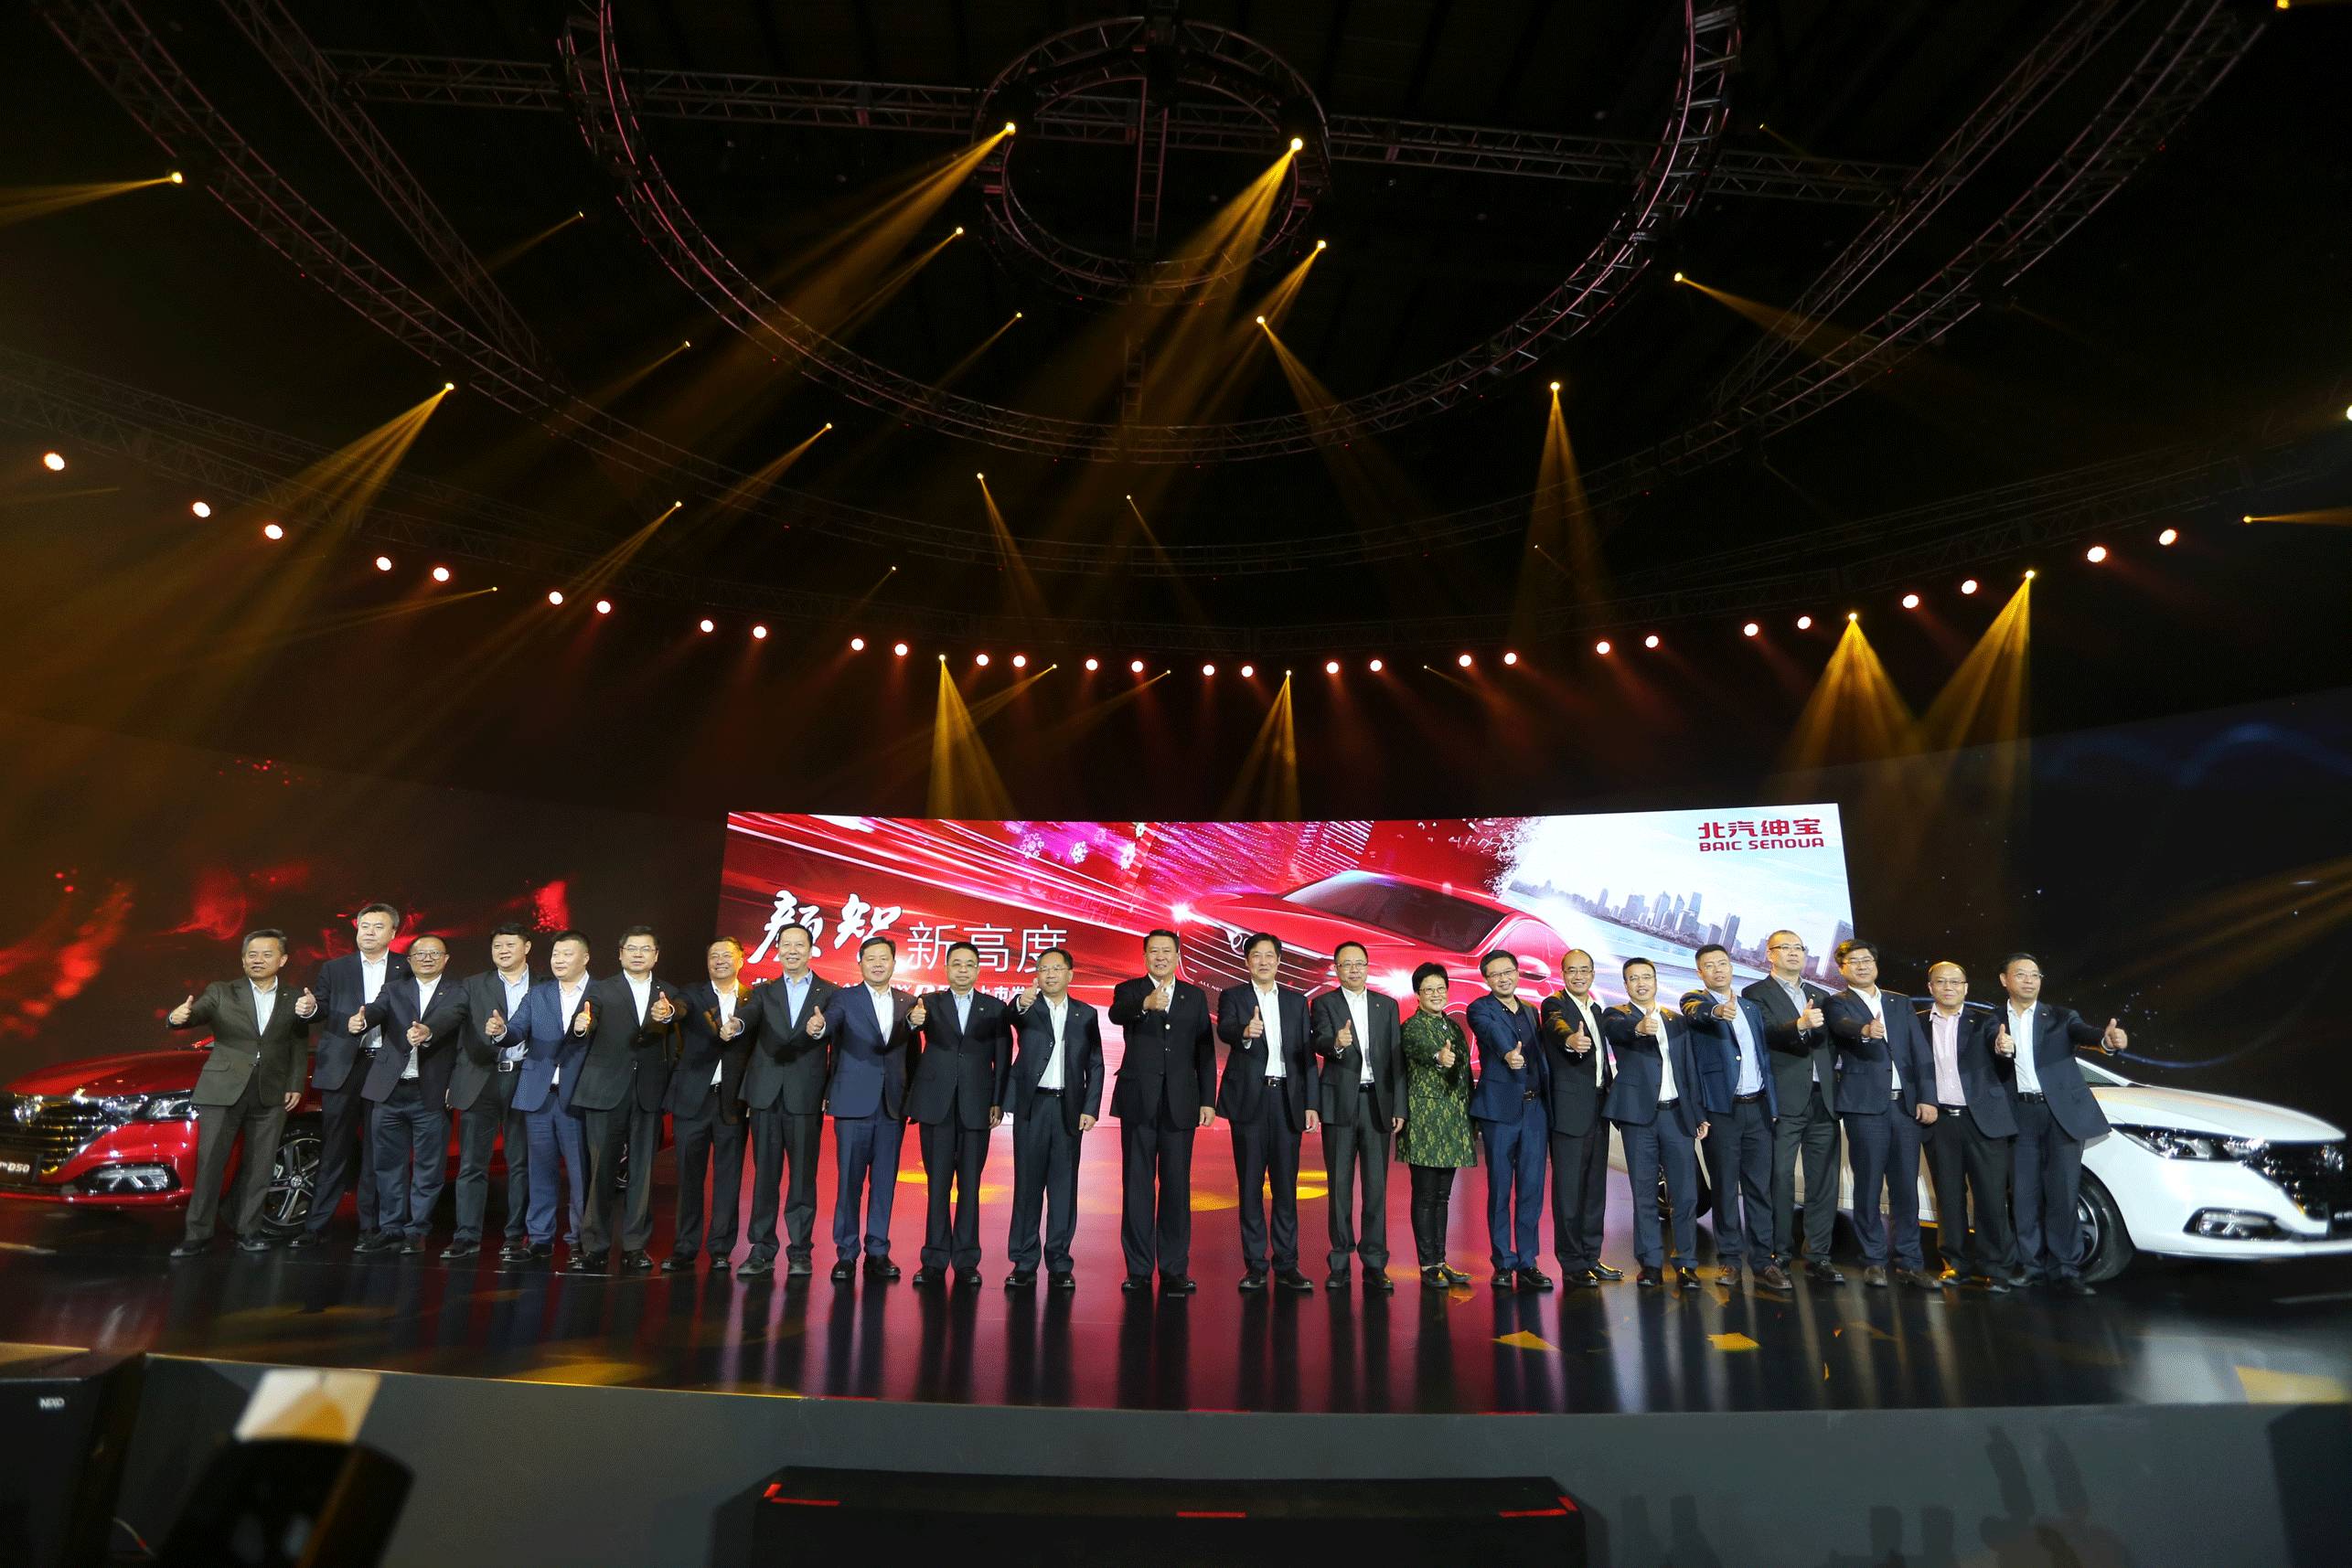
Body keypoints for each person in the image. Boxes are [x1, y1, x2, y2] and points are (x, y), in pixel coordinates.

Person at [166, 930, 317, 1255]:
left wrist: (294, 1084)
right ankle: (197, 1234)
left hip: (271, 1091)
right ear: (243, 959)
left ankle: (249, 1230)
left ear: (283, 960)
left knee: (260, 1165)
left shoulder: (294, 997)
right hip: (222, 1090)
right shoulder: (222, 991)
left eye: (266, 954)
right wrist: (178, 1018)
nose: (257, 960)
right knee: (210, 1164)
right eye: (252, 955)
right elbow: (197, 1012)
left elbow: (297, 1043)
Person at [1997, 952, 2126, 1295]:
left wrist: (2107, 1041)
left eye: (2035, 975)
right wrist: (1997, 1047)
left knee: (2064, 1193)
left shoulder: (2060, 1017)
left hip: (2060, 1116)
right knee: (2024, 1195)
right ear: (2004, 980)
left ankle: (2066, 1269)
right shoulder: (1992, 1021)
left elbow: (2087, 1034)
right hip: (2019, 1115)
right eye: (2021, 974)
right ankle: (2031, 1265)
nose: (2030, 980)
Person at [1825, 940, 1941, 1289]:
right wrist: (1865, 1031)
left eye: (1867, 959)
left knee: (1906, 1187)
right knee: (1869, 1185)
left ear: (1876, 964)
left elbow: (1920, 1053)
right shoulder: (1836, 1002)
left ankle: (1910, 1262)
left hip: (1904, 1107)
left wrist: (1928, 1098)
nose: (1862, 965)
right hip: (1864, 1108)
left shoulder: (1899, 1002)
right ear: (1842, 968)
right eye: (1853, 961)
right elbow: (1842, 1026)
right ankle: (1874, 1259)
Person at [1107, 929, 1217, 1296]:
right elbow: (1117, 1014)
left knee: (1176, 1187)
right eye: (1154, 951)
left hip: (1181, 1103)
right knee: (1137, 1186)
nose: (1160, 957)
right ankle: (1138, 1270)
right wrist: (1146, 1004)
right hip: (1139, 1102)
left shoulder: (1193, 996)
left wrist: (1208, 1100)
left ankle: (1173, 1269)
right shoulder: (1130, 991)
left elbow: (1204, 1051)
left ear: (1177, 955)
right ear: (1144, 956)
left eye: (1167, 951)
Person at [567, 926, 682, 1273]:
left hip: (648, 1092)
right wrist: (582, 1025)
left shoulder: (668, 993)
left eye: (645, 949)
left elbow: (676, 1021)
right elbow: (586, 1019)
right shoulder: (600, 989)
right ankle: (594, 1246)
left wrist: (669, 1013)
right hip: (605, 1091)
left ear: (656, 956)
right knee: (600, 1171)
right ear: (620, 954)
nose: (638, 954)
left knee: (642, 1173)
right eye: (631, 948)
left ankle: (635, 1246)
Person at [293, 902, 406, 1249]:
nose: (369, 932)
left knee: (377, 1149)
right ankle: (316, 1226)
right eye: (364, 926)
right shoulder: (335, 968)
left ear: (393, 933)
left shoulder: (404, 968)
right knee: (334, 1149)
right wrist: (311, 1008)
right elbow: (321, 1006)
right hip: (343, 1066)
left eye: (377, 926)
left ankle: (370, 1227)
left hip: (385, 1065)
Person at [352, 933, 468, 1256]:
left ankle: (416, 1231)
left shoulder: (459, 991)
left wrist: (428, 1031)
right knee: (387, 1165)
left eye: (434, 953)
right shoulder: (394, 989)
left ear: (446, 959)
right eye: (420, 954)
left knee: (428, 1167)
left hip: (430, 1091)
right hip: (389, 1090)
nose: (427, 958)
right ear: (410, 960)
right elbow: (377, 1010)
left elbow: (452, 1017)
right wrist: (362, 1020)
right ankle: (390, 1228)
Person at [1215, 933, 1317, 1294]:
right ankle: (1256, 1265)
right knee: (1250, 1185)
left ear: (1278, 961)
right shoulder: (1234, 997)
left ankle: (1287, 1264)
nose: (1263, 961)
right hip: (1250, 1101)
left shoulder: (1295, 1001)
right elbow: (1225, 1028)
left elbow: (1306, 1056)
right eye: (1256, 956)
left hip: (1287, 1100)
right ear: (1247, 962)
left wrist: (1311, 1103)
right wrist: (1246, 1032)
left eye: (1269, 956)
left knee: (1286, 1187)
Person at [815, 934, 920, 1283]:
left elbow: (913, 1056)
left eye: (883, 958)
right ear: (860, 963)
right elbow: (830, 1023)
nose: (877, 964)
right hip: (853, 1102)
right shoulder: (844, 998)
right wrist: (819, 1027)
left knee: (885, 1183)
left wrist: (911, 1099)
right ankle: (846, 1253)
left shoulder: (908, 1002)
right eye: (870, 958)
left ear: (893, 963)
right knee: (849, 1183)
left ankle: (878, 1250)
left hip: (891, 1105)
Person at [906, 941, 1010, 1288]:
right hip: (936, 1105)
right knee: (936, 1185)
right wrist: (912, 1021)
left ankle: (966, 1260)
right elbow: (909, 1030)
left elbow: (1002, 1057)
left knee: (970, 1186)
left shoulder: (994, 1008)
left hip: (977, 1106)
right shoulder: (928, 1002)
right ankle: (934, 1259)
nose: (963, 970)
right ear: (946, 968)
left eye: (969, 964)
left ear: (978, 969)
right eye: (956, 964)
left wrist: (998, 1101)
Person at [1680, 944, 1783, 1288]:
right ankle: (1729, 1260)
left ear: (1731, 966)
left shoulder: (1751, 1008)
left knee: (1760, 1189)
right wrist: (1716, 1011)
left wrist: (1772, 1107)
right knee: (1725, 1188)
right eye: (1709, 966)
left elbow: (1764, 1059)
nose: (1718, 970)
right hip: (1722, 1112)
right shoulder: (1695, 1001)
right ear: (1700, 972)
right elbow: (1695, 1012)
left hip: (1758, 1108)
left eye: (1722, 963)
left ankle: (1764, 1262)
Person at [736, 923, 836, 1279]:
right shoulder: (763, 992)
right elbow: (747, 1019)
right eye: (786, 945)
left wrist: (822, 1030)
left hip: (805, 1095)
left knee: (803, 1178)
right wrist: (736, 1025)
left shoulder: (830, 992)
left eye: (799, 945)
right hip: (766, 1095)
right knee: (765, 1176)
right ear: (777, 950)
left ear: (811, 950)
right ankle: (761, 1249)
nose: (792, 950)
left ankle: (800, 1251)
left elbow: (836, 1038)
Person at [1743, 930, 1844, 1284]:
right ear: (1769, 954)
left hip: (1823, 1099)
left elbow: (1831, 1044)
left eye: (1798, 947)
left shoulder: (1821, 995)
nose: (1793, 953)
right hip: (1785, 1100)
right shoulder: (1755, 993)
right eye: (1784, 947)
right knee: (1781, 1178)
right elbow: (1767, 1033)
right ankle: (1780, 1252)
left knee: (1824, 1181)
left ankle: (1818, 1255)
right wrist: (1800, 1024)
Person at [1602, 957, 1707, 1289]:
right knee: (1645, 1193)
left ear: (1656, 981)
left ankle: (1686, 1263)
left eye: (1646, 977)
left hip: (1676, 1115)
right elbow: (1618, 1031)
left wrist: (1699, 1114)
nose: (1641, 983)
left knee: (1685, 1194)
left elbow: (1689, 1069)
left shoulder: (1676, 1020)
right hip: (1638, 1118)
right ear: (1626, 985)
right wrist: (1638, 1029)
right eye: (1634, 978)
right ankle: (1650, 1263)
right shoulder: (1616, 1015)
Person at [1000, 947, 1102, 1289]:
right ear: (1037, 975)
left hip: (1068, 1108)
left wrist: (1090, 1107)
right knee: (1027, 1186)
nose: (1050, 974)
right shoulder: (1028, 1008)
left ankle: (1059, 1262)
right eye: (1044, 969)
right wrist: (1021, 1002)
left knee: (1063, 1189)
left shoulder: (1086, 1014)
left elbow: (1096, 1064)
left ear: (1070, 974)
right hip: (1033, 1107)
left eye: (1057, 969)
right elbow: (1009, 1016)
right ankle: (1024, 1261)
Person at [1310, 940, 1402, 1293]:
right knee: (1339, 1188)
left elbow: (1396, 1060)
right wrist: (1337, 1043)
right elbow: (1319, 1041)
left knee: (1376, 1188)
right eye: (1346, 964)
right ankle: (1339, 1261)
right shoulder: (1324, 1003)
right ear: (1336, 969)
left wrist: (1399, 1107)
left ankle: (1375, 1261)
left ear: (1367, 966)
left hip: (1377, 1103)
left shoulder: (1386, 1005)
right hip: (1339, 1103)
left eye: (1359, 963)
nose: (1353, 969)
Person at [1918, 961, 2016, 1292]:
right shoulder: (1917, 1024)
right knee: (1948, 1196)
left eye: (1955, 982)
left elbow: (1999, 1049)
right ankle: (1955, 1264)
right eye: (1941, 982)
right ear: (1930, 987)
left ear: (1966, 987)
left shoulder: (1986, 1022)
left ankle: (1996, 1268)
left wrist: (2004, 1049)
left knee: (1990, 1197)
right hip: (1940, 1121)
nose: (1949, 987)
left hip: (1982, 1121)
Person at [504, 929, 594, 1263]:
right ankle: (539, 1238)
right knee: (540, 1170)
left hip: (580, 1096)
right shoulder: (538, 994)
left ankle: (580, 1239)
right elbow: (516, 1029)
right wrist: (501, 1032)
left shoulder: (601, 994)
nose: (559, 960)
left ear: (585, 958)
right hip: (539, 1095)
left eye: (567, 954)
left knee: (581, 1173)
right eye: (556, 954)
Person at [666, 937, 755, 1273]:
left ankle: (720, 1249)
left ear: (740, 960)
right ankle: (685, 1247)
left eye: (726, 955)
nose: (719, 960)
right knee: (689, 1177)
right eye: (713, 955)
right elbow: (679, 1008)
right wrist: (669, 1011)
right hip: (693, 1099)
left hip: (732, 1102)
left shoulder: (752, 999)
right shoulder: (693, 993)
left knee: (729, 1178)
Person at [447, 923, 536, 1262]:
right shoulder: (472, 984)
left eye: (510, 944)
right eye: (497, 945)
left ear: (526, 947)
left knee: (520, 1162)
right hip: (480, 1079)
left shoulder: (544, 985)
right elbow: (451, 1022)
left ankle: (515, 1236)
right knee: (472, 1163)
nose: (503, 951)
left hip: (524, 1078)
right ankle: (466, 1236)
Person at [1467, 950, 1551, 1291]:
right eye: (1496, 974)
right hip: (1500, 1110)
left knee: (1531, 1189)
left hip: (1534, 1110)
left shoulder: (1531, 1011)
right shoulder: (1479, 1008)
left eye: (1509, 972)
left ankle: (1528, 1261)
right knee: (1500, 1188)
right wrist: (1507, 1053)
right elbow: (1490, 1033)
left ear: (1517, 973)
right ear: (1487, 979)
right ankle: (1503, 1261)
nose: (1504, 978)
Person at [1539, 949, 1620, 1287]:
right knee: (1569, 1193)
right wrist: (1571, 1040)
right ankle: (1572, 1264)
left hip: (1599, 1108)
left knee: (1594, 1190)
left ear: (1593, 973)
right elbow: (1556, 1026)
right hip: (1570, 1112)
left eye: (1584, 970)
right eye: (1572, 970)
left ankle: (1591, 1256)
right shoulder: (1554, 1004)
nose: (1578, 976)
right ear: (1563, 974)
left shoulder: (1596, 1009)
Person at [1395, 963, 1475, 1288]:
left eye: (1441, 989)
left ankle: (1440, 1260)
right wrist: (1438, 1057)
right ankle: (1427, 1263)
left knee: (1443, 1196)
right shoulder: (1412, 1027)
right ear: (1418, 994)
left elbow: (1465, 1074)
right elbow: (1422, 1049)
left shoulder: (1454, 1027)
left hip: (1453, 1122)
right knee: (1425, 1195)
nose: (1436, 994)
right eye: (1429, 990)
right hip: (1425, 1122)